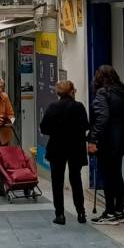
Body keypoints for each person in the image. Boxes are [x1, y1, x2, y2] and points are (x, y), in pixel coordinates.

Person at [88, 65, 124, 226]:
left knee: (107, 176)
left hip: (106, 142)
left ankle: (109, 211)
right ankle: (119, 211)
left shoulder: (102, 93)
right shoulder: (122, 93)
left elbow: (102, 117)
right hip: (120, 142)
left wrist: (93, 140)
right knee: (117, 175)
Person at [39, 80, 89, 225]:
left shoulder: (53, 107)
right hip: (75, 147)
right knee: (76, 179)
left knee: (57, 181)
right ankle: (81, 212)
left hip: (57, 147)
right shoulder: (79, 107)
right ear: (72, 91)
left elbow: (44, 128)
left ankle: (60, 214)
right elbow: (85, 126)